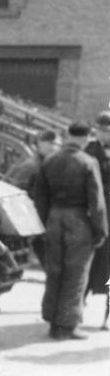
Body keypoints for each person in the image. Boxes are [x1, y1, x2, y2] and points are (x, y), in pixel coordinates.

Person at [34, 121, 109, 340]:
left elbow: (41, 197)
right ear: (86, 138)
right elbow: (97, 202)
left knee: (54, 272)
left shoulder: (50, 160)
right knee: (75, 275)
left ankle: (51, 321)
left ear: (67, 135)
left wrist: (43, 224)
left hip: (53, 219)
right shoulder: (88, 161)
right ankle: (67, 326)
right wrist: (100, 231)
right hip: (79, 221)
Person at [4, 130, 62, 266]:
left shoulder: (50, 165)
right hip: (33, 219)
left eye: (58, 145)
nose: (56, 148)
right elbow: (16, 193)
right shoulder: (32, 166)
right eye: (53, 144)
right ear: (42, 145)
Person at [84, 111, 110, 328]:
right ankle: (78, 305)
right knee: (87, 261)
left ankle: (106, 317)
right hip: (96, 215)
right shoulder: (90, 150)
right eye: (102, 129)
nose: (104, 133)